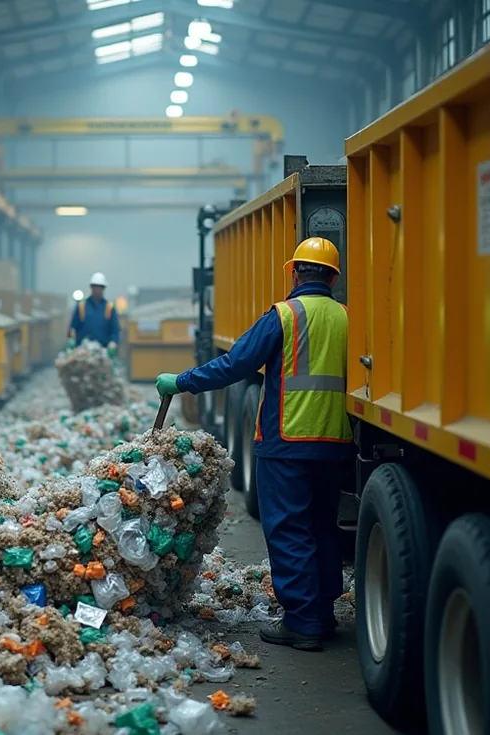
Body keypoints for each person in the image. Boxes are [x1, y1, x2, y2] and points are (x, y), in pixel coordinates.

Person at [155, 237, 352, 652]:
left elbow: (235, 364)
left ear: (296, 273)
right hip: (334, 441)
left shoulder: (284, 315)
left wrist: (183, 381)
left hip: (287, 441)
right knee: (322, 529)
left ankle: (302, 623)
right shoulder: (347, 317)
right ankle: (322, 614)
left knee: (288, 529)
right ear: (333, 276)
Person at [67, 271, 120, 357]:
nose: (98, 290)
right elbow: (73, 327)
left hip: (103, 353)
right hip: (83, 352)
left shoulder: (109, 307)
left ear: (104, 289)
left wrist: (113, 343)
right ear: (91, 287)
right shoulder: (82, 306)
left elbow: (115, 330)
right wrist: (71, 340)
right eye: (95, 287)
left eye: (100, 287)